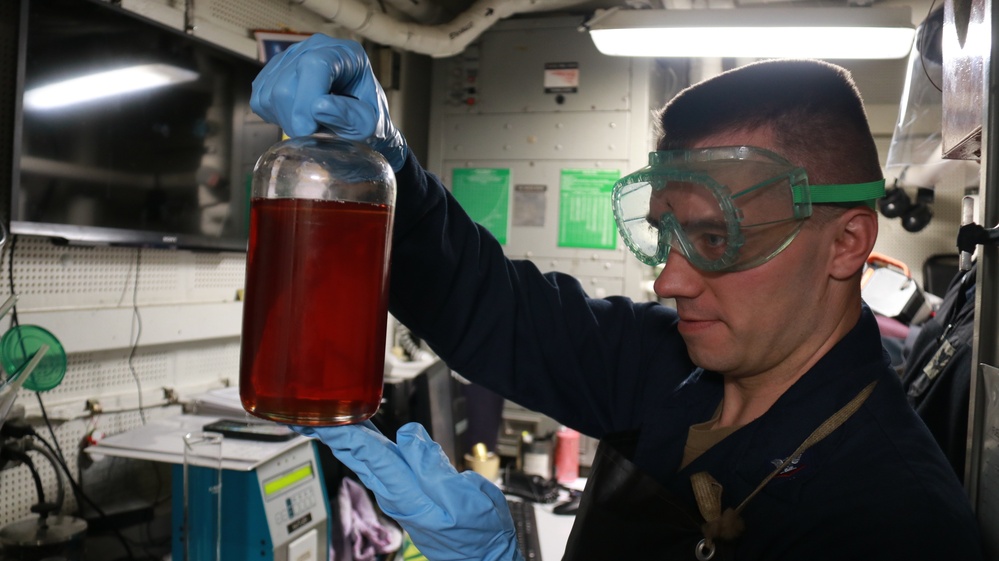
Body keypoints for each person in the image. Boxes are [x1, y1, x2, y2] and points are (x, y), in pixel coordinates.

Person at [250, 35, 984, 560]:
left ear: (848, 242)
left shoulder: (899, 522)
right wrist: (386, 155)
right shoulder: (669, 365)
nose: (669, 278)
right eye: (667, 235)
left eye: (716, 238)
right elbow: (489, 306)